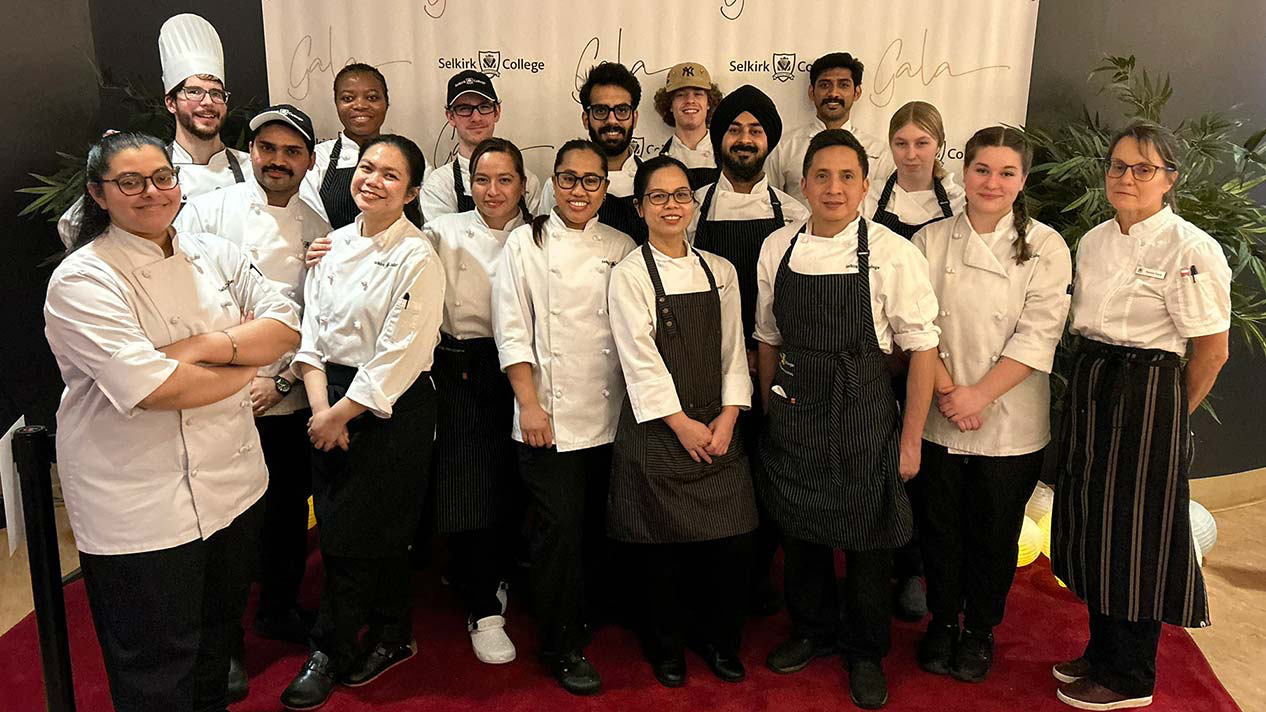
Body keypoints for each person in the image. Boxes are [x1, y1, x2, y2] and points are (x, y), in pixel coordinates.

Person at [44, 131, 300, 712]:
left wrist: (205, 347)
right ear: (98, 193)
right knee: (156, 669)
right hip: (141, 504)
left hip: (233, 487)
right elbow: (155, 389)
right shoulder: (84, 279)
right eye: (130, 182)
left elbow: (285, 326)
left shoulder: (214, 253)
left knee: (215, 649)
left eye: (162, 178)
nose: (152, 192)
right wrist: (245, 361)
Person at [755, 129, 940, 710]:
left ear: (864, 186)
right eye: (822, 176)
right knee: (800, 531)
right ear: (803, 183)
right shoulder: (778, 247)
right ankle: (812, 629)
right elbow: (768, 337)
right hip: (795, 411)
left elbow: (923, 350)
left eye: (847, 177)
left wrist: (911, 441)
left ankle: (865, 651)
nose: (833, 188)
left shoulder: (892, 252)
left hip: (863, 412)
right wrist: (770, 410)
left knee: (868, 538)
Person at [1051, 120, 1230, 711]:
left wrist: (1171, 418)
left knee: (1138, 535)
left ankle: (1131, 676)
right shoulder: (1094, 240)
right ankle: (1101, 652)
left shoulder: (1190, 247)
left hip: (1150, 394)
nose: (1127, 177)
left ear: (1169, 179)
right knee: (1095, 526)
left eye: (1143, 168)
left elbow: (1212, 351)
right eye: (1118, 165)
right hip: (1093, 381)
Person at [280, 135, 445, 710]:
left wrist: (341, 413)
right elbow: (312, 335)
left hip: (389, 407)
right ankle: (393, 631)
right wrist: (321, 410)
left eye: (390, 175)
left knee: (359, 534)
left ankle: (330, 648)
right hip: (329, 400)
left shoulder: (418, 256)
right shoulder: (333, 246)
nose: (373, 181)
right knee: (346, 527)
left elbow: (402, 352)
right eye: (367, 168)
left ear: (412, 192)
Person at [174, 105, 331, 681]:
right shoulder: (207, 210)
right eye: (268, 149)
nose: (278, 161)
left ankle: (277, 607)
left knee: (286, 511)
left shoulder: (318, 224)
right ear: (251, 152)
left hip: (286, 395)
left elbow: (318, 314)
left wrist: (281, 378)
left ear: (309, 162)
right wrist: (244, 374)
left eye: (292, 152)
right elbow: (190, 301)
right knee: (228, 521)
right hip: (221, 392)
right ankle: (224, 643)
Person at [910, 126, 1071, 683]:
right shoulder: (929, 241)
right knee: (939, 529)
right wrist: (952, 393)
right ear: (964, 171)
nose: (992, 183)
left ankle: (979, 629)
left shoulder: (1047, 246)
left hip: (1011, 420)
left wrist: (978, 395)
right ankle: (941, 622)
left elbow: (1039, 334)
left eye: (1006, 173)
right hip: (939, 411)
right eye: (982, 170)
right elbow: (916, 325)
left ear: (1022, 181)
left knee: (995, 533)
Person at [607, 155, 758, 688]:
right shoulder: (629, 274)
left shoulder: (721, 270)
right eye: (658, 196)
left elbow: (734, 349)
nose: (670, 205)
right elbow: (639, 359)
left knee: (731, 545)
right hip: (659, 427)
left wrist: (730, 416)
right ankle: (666, 646)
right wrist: (680, 423)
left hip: (719, 426)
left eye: (680, 195)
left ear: (693, 204)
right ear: (639, 207)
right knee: (661, 551)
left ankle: (719, 641)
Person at [493, 139, 636, 695]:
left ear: (605, 187)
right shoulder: (524, 242)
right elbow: (512, 330)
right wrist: (529, 404)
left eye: (591, 180)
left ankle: (589, 612)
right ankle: (560, 644)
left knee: (599, 523)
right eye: (569, 179)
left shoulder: (621, 245)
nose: (579, 190)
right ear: (553, 183)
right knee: (558, 530)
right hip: (547, 414)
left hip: (611, 412)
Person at [688, 84, 809, 616]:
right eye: (734, 129)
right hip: (705, 363)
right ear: (718, 139)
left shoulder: (795, 214)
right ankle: (707, 579)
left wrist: (772, 366)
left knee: (768, 473)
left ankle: (758, 575)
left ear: (769, 141)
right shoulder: (691, 207)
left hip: (771, 365)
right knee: (711, 473)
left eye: (755, 130)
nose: (743, 139)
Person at [57, 13, 249, 248]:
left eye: (216, 94)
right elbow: (72, 226)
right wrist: (106, 167)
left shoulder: (252, 169)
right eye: (194, 92)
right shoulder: (146, 170)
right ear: (170, 103)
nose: (207, 102)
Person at [419, 70, 544, 220]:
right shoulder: (438, 184)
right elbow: (441, 235)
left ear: (497, 112)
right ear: (450, 116)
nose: (476, 118)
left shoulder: (528, 181)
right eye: (465, 109)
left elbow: (533, 232)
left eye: (484, 107)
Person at [298, 63, 410, 230]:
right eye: (348, 99)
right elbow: (313, 225)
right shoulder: (318, 159)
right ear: (336, 104)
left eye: (372, 97)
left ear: (387, 103)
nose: (360, 105)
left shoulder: (408, 157)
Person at [766, 52, 886, 206]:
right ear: (811, 92)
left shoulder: (880, 153)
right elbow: (770, 204)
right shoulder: (784, 148)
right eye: (824, 85)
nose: (833, 93)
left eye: (843, 85)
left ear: (857, 92)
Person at [865, 101, 966, 238]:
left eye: (921, 143)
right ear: (891, 145)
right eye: (901, 144)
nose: (910, 155)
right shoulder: (868, 197)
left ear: (939, 146)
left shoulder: (959, 202)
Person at [653, 62, 723, 189]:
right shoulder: (653, 164)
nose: (690, 100)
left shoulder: (728, 157)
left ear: (709, 103)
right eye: (681, 95)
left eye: (698, 94)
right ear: (670, 105)